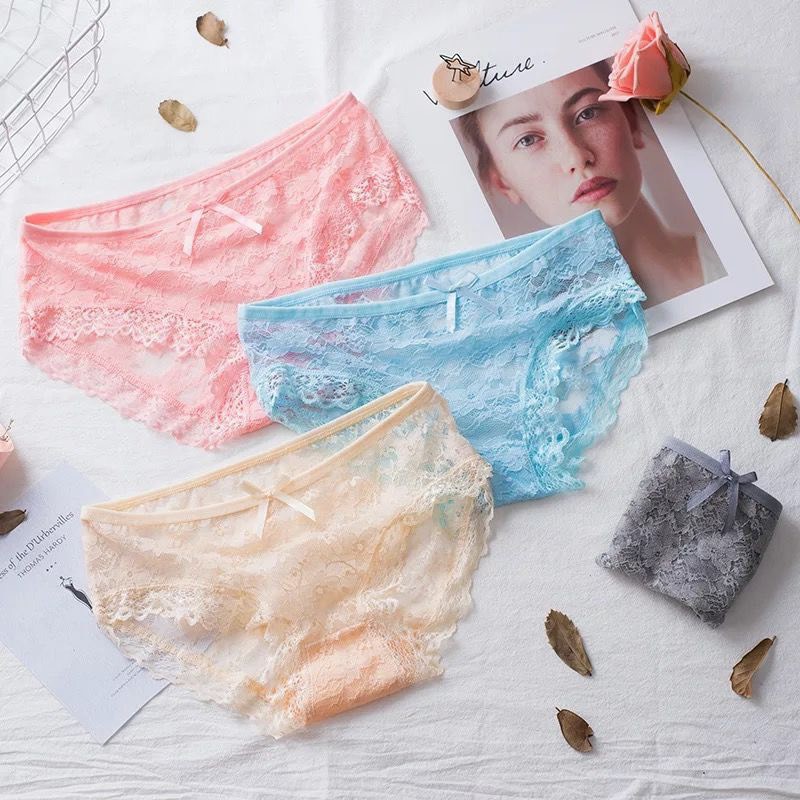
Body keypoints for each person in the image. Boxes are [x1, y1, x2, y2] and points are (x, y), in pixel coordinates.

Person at [457, 61, 723, 306]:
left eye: (588, 113)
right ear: (503, 183)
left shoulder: (732, 255)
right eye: (527, 140)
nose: (576, 157)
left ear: (631, 122)